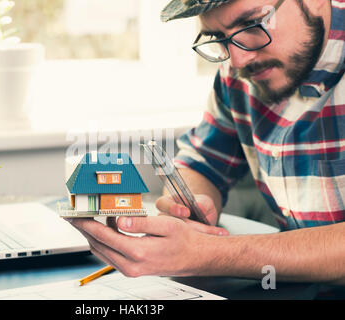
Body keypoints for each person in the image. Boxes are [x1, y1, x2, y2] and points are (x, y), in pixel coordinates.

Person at [68, 0, 345, 285]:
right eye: (218, 38)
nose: (237, 60)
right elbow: (203, 162)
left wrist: (207, 252)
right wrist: (192, 205)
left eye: (253, 25)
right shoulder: (243, 73)